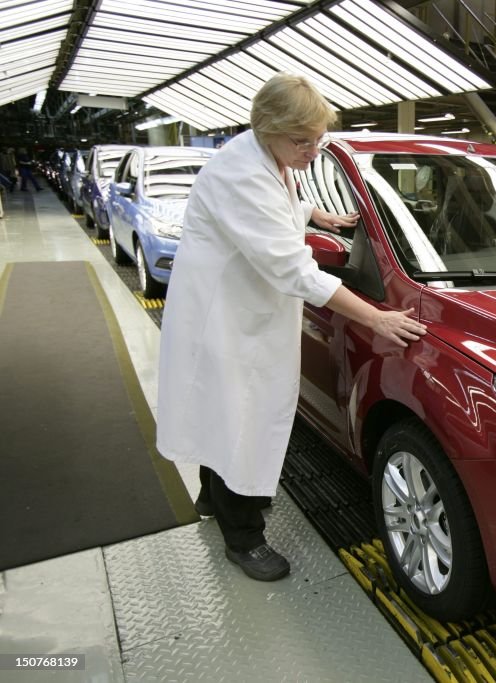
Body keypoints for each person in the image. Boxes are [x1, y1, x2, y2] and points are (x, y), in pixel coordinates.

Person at [156, 73, 427, 582]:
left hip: (245, 313)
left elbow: (281, 199)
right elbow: (293, 269)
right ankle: (245, 538)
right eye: (301, 141)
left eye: (318, 138)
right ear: (266, 127)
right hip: (225, 321)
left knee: (226, 414)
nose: (311, 150)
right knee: (238, 422)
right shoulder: (240, 174)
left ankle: (214, 496)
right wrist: (376, 316)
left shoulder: (265, 156)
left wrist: (315, 214)